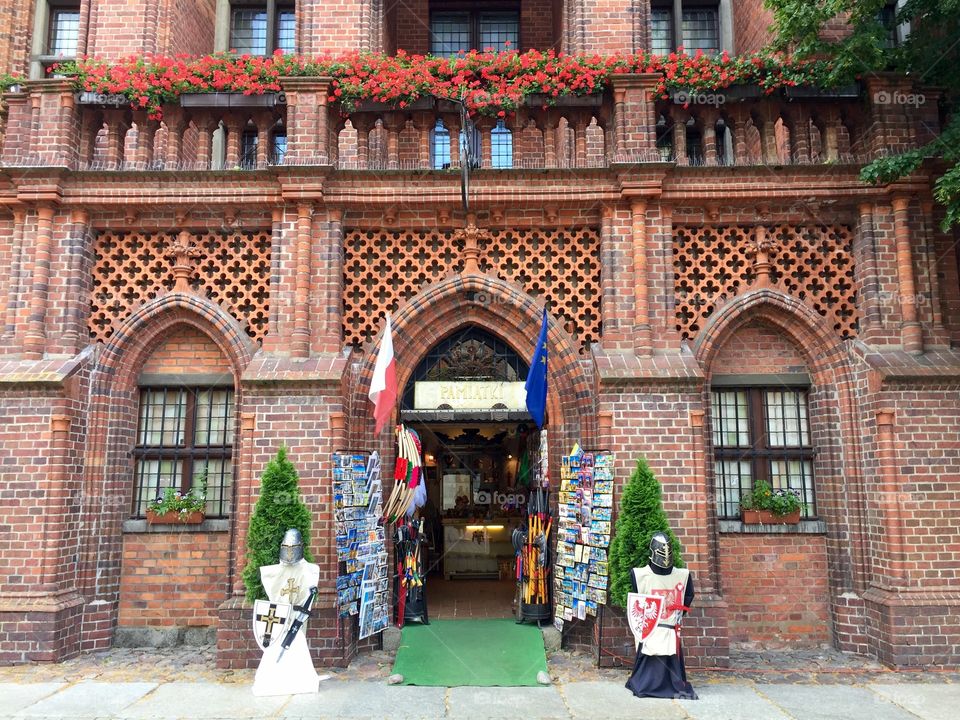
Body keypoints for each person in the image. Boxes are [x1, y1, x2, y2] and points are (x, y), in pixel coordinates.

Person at [625, 532, 697, 700]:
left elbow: (686, 599)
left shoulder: (682, 576)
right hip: (651, 630)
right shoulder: (640, 575)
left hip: (669, 629)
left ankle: (648, 683)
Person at [252, 529, 322, 696]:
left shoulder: (309, 570)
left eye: (293, 547)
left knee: (296, 645)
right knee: (280, 646)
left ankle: (297, 678)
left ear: (300, 547)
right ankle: (278, 678)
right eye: (287, 547)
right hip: (281, 620)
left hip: (297, 617)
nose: (290, 551)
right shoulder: (273, 572)